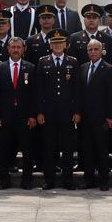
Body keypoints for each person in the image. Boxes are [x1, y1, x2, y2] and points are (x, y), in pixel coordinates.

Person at [35, 29, 79, 189]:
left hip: (67, 112)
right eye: (54, 43)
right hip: (49, 113)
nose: (58, 45)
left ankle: (68, 180)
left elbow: (76, 89)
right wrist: (39, 111)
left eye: (60, 43)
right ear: (50, 45)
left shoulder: (72, 62)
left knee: (67, 148)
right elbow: (39, 90)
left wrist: (76, 111)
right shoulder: (43, 62)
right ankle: (49, 180)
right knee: (49, 147)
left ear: (66, 45)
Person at [0, 36, 36, 189]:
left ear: (23, 49)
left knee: (28, 149)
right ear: (8, 49)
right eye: (13, 47)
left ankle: (27, 180)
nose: (16, 50)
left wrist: (32, 115)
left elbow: (34, 95)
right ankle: (4, 180)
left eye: (18, 47)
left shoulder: (30, 68)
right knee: (3, 148)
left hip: (25, 117)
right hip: (5, 116)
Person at [77, 39, 112, 191]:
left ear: (102, 51)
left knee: (101, 150)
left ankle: (104, 180)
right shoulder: (83, 68)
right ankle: (89, 179)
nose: (93, 52)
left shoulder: (109, 69)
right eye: (90, 49)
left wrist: (111, 117)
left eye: (96, 49)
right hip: (85, 118)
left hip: (102, 118)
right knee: (87, 150)